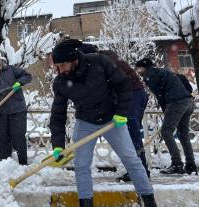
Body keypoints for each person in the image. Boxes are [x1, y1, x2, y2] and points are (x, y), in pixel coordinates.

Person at [49, 39, 156, 207]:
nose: (59, 70)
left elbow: (123, 85)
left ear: (73, 59)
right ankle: (86, 203)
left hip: (112, 119)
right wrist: (57, 145)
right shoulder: (61, 82)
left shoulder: (99, 62)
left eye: (62, 65)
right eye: (57, 66)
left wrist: (121, 113)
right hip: (85, 121)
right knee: (81, 165)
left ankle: (149, 200)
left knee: (131, 159)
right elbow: (58, 115)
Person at [135, 58, 197, 175]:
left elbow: (160, 94)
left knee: (166, 132)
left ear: (144, 67)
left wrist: (166, 110)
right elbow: (184, 82)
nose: (138, 71)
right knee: (183, 134)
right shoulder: (164, 72)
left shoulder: (150, 75)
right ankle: (191, 164)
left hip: (176, 103)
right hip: (188, 102)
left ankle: (177, 164)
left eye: (138, 68)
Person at [98, 50, 150, 182]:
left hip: (132, 95)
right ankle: (140, 170)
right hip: (136, 94)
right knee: (132, 134)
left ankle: (140, 171)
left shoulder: (103, 61)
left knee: (132, 135)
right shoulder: (108, 58)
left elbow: (113, 85)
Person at [0, 54, 32, 165]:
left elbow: (28, 76)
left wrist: (20, 82)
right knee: (2, 140)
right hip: (2, 113)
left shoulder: (11, 70)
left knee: (18, 138)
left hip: (17, 110)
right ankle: (5, 165)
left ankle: (23, 165)